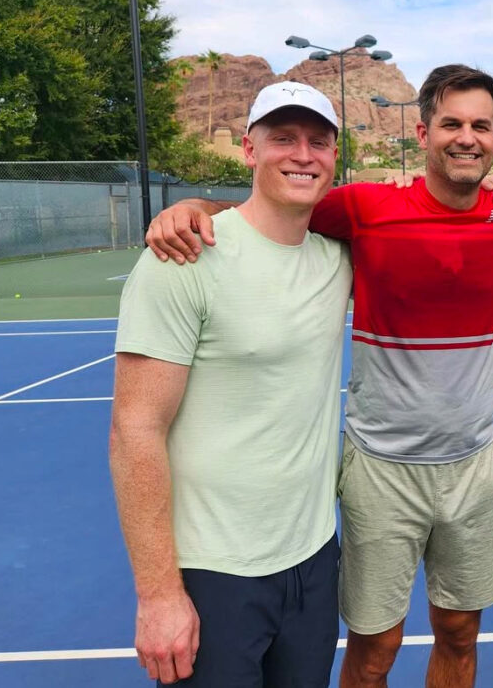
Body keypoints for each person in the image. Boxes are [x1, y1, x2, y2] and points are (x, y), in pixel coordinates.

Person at [144, 64, 493, 688]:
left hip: (474, 469)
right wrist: (195, 206)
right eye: (451, 123)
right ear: (423, 132)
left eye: (480, 126)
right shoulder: (367, 206)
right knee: (375, 649)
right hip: (381, 472)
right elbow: (274, 206)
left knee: (460, 635)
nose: (466, 137)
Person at [109, 81, 353, 686]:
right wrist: (159, 594)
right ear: (249, 149)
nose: (302, 154)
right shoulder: (183, 258)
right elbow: (134, 428)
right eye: (283, 139)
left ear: (334, 159)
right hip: (214, 573)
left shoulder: (338, 258)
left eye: (318, 142)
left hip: (315, 559)